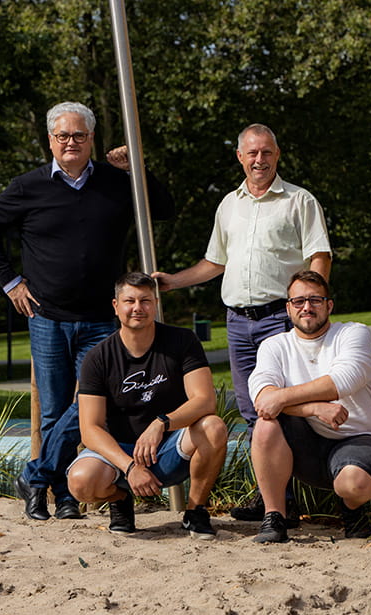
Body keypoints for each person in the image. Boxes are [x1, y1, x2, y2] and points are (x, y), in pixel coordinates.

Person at [0, 101, 176, 521]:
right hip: (47, 317)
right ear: (50, 140)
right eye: (63, 135)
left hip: (102, 319)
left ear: (91, 139)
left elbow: (163, 211)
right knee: (54, 411)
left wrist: (138, 169)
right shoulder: (28, 187)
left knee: (92, 404)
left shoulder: (115, 183)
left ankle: (35, 477)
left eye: (79, 135)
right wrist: (11, 283)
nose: (71, 142)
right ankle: (62, 496)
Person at [153, 124, 331, 522]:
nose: (259, 160)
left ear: (277, 155)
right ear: (240, 157)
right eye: (252, 153)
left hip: (279, 318)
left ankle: (284, 501)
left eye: (266, 152)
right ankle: (271, 497)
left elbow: (320, 256)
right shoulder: (228, 205)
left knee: (280, 407)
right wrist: (174, 281)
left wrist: (312, 306)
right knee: (253, 411)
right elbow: (215, 262)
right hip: (237, 322)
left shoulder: (299, 200)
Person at [66, 272, 228, 539]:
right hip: (121, 453)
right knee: (80, 482)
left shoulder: (182, 341)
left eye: (145, 300)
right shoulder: (97, 358)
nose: (137, 308)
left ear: (156, 304)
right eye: (129, 301)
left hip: (169, 447)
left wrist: (161, 423)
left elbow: (204, 400)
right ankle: (120, 499)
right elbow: (90, 429)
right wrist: (130, 467)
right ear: (116, 306)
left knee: (214, 426)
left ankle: (195, 511)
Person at [247, 270, 371, 543]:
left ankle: (352, 509)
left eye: (315, 300)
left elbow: (343, 380)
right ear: (288, 308)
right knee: (265, 425)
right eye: (298, 301)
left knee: (355, 484)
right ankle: (274, 516)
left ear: (329, 305)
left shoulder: (353, 333)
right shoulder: (274, 346)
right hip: (304, 444)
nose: (306, 307)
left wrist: (282, 398)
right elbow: (263, 400)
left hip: (358, 437)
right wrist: (313, 409)